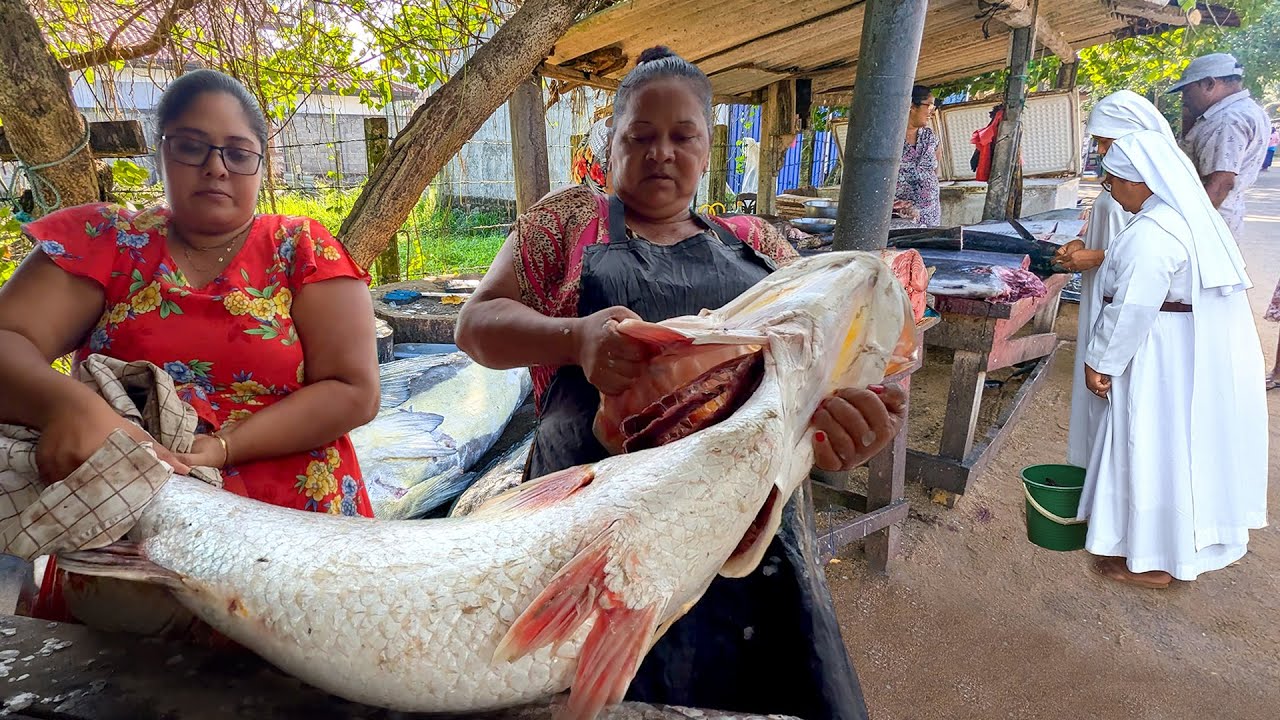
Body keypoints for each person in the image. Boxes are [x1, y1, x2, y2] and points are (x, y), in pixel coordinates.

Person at [456, 46, 906, 720]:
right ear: (610, 144)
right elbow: (477, 324)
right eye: (639, 136)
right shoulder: (568, 222)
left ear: (707, 142)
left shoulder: (762, 245)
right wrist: (576, 339)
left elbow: (832, 375)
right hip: (589, 535)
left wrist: (842, 427)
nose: (660, 153)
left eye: (681, 135)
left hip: (741, 539)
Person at [0, 69, 380, 619]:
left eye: (237, 151)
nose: (215, 166)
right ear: (161, 154)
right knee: (121, 691)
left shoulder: (301, 248)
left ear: (260, 163)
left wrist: (223, 448)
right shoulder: (110, 241)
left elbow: (354, 390)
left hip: (296, 541)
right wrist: (70, 406)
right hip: (132, 527)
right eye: (191, 146)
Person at [1079, 129, 1267, 588]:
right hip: (1178, 349)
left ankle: (1157, 559)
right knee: (1173, 447)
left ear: (1139, 182)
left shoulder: (1153, 234)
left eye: (1112, 182)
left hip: (1158, 354)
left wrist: (1101, 361)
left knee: (1152, 447)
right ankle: (1158, 548)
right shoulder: (1179, 218)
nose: (1110, 191)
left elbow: (1131, 309)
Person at [1054, 90, 1177, 468]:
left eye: (1108, 141)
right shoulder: (1121, 180)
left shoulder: (1146, 192)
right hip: (1104, 292)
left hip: (1122, 299)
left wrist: (1098, 255)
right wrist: (1083, 241)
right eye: (1100, 143)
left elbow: (1142, 260)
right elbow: (1111, 227)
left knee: (1113, 394)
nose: (1103, 151)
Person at [1169, 53, 1271, 238]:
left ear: (1209, 84)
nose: (1184, 99)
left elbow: (1221, 183)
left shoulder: (1226, 121)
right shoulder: (1248, 110)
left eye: (1187, 91)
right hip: (1225, 215)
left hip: (1209, 222)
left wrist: (1186, 230)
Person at [896, 84, 941, 226]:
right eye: (929, 106)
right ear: (912, 106)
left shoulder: (930, 137)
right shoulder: (890, 139)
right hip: (900, 216)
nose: (932, 112)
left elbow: (934, 170)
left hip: (930, 215)